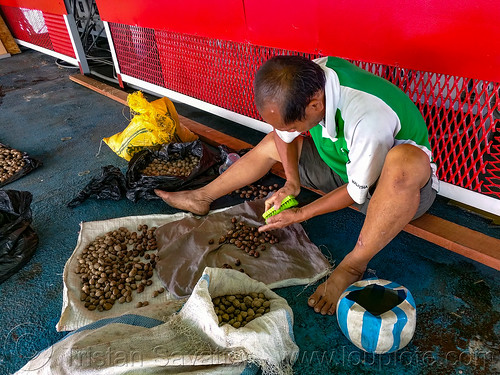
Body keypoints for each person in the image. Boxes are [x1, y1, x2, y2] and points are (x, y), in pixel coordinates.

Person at [155, 55, 438, 315]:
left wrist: (301, 213)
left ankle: (353, 264)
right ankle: (201, 196)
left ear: (315, 105)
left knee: (404, 162)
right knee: (272, 144)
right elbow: (281, 135)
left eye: (292, 125)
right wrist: (291, 183)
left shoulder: (366, 116)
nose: (288, 131)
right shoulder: (306, 79)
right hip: (344, 165)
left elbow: (355, 193)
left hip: (394, 193)